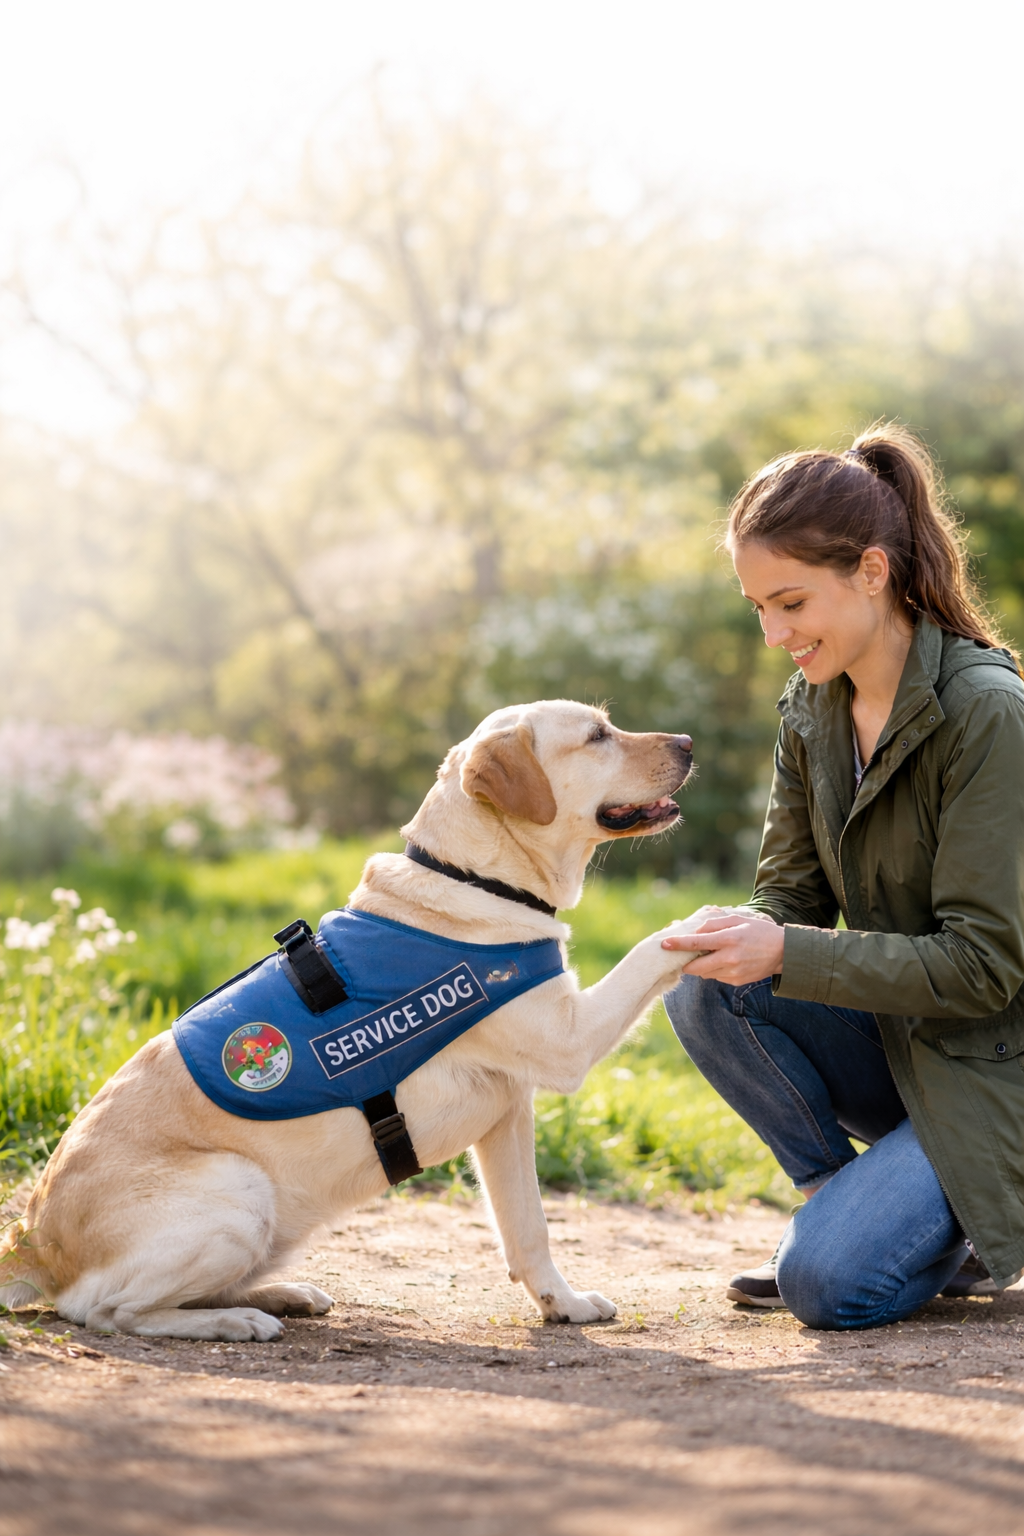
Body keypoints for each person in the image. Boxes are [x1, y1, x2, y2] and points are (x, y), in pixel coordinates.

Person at [662, 423, 1024, 1330]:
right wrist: (745, 935)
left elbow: (984, 968)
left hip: (997, 1068)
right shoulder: (811, 710)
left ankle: (930, 1220)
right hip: (907, 1042)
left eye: (791, 603)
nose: (774, 633)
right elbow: (789, 900)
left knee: (829, 1289)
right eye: (758, 608)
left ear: (872, 571)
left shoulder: (988, 715)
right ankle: (842, 1200)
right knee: (703, 989)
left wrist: (786, 950)